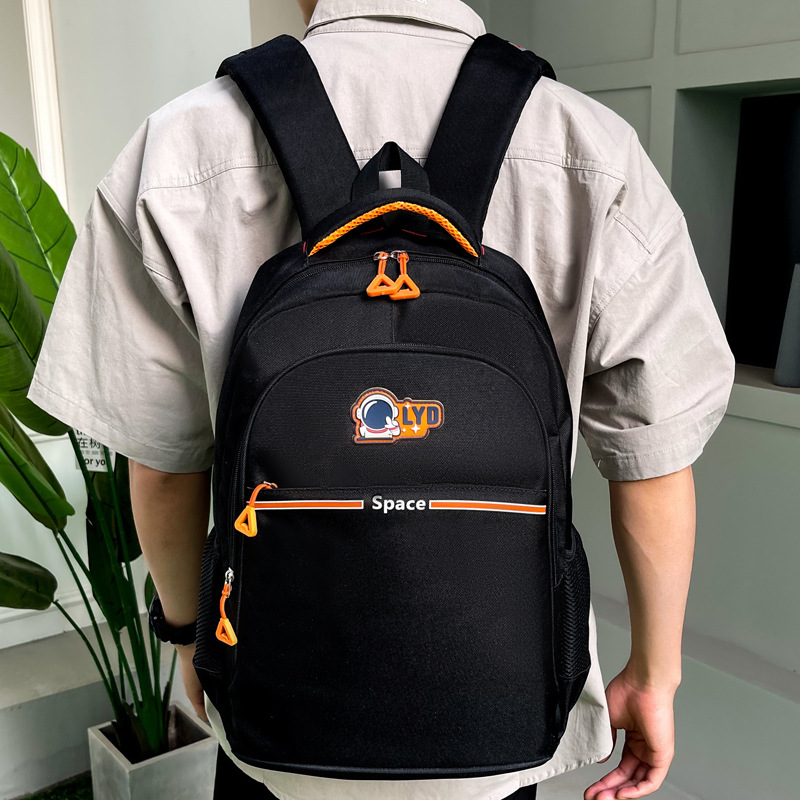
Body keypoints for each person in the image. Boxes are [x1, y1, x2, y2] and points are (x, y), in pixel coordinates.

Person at [27, 0, 735, 798]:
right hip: (499, 716)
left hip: (275, 722)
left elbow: (162, 470)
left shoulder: (177, 147)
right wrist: (655, 676)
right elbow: (653, 458)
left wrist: (192, 640)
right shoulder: (590, 145)